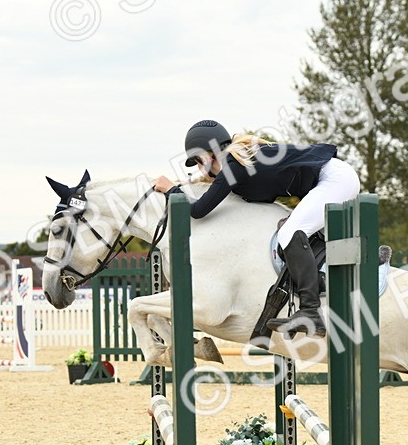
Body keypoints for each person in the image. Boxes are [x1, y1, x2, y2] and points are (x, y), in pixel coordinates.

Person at [153, 120, 360, 337]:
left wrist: (171, 190)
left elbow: (198, 210)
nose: (197, 168)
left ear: (207, 155)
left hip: (334, 179)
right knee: (303, 235)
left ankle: (310, 311)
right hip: (335, 178)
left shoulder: (235, 166)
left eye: (196, 161)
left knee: (290, 233)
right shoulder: (240, 164)